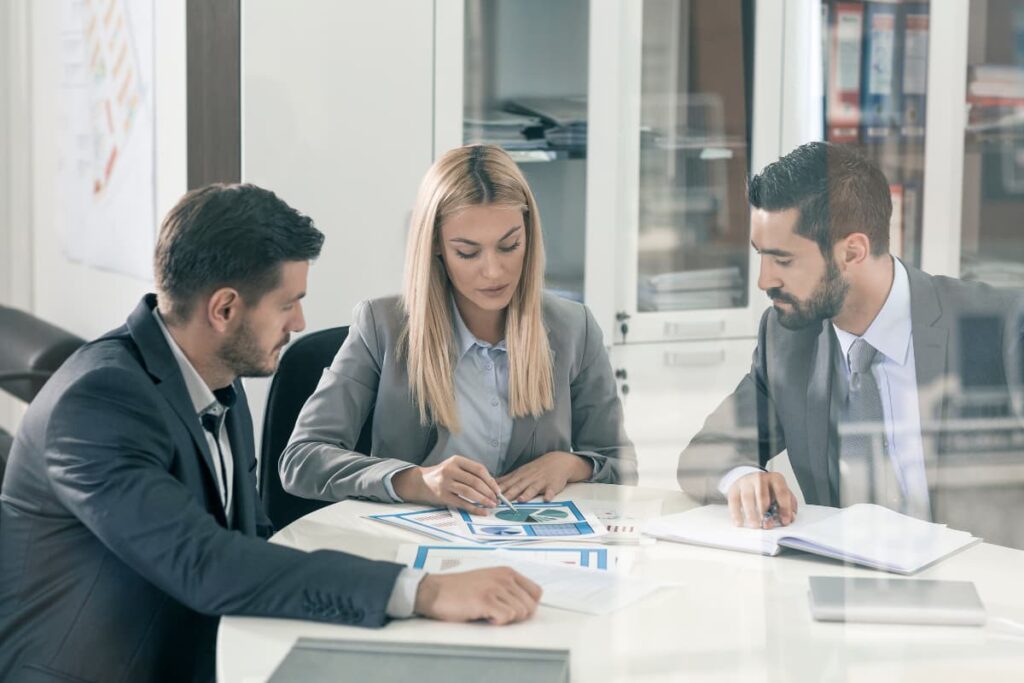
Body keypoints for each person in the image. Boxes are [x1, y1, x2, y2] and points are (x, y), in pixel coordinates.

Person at [0, 184, 541, 683]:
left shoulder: (212, 381)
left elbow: (253, 544)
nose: (300, 323)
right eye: (288, 303)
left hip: (206, 649)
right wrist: (423, 591)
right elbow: (205, 562)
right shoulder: (98, 404)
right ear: (226, 308)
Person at [676, 141, 1024, 548]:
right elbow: (703, 454)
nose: (764, 281)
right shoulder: (787, 338)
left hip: (987, 591)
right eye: (761, 257)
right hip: (845, 588)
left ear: (853, 251)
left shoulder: (999, 327)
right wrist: (742, 479)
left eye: (783, 260)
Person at [280, 145, 637, 513]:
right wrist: (416, 481)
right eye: (468, 252)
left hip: (535, 546)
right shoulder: (381, 325)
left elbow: (621, 466)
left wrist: (570, 464)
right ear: (435, 244)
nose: (494, 271)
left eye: (509, 246)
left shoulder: (574, 329)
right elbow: (302, 460)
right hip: (414, 546)